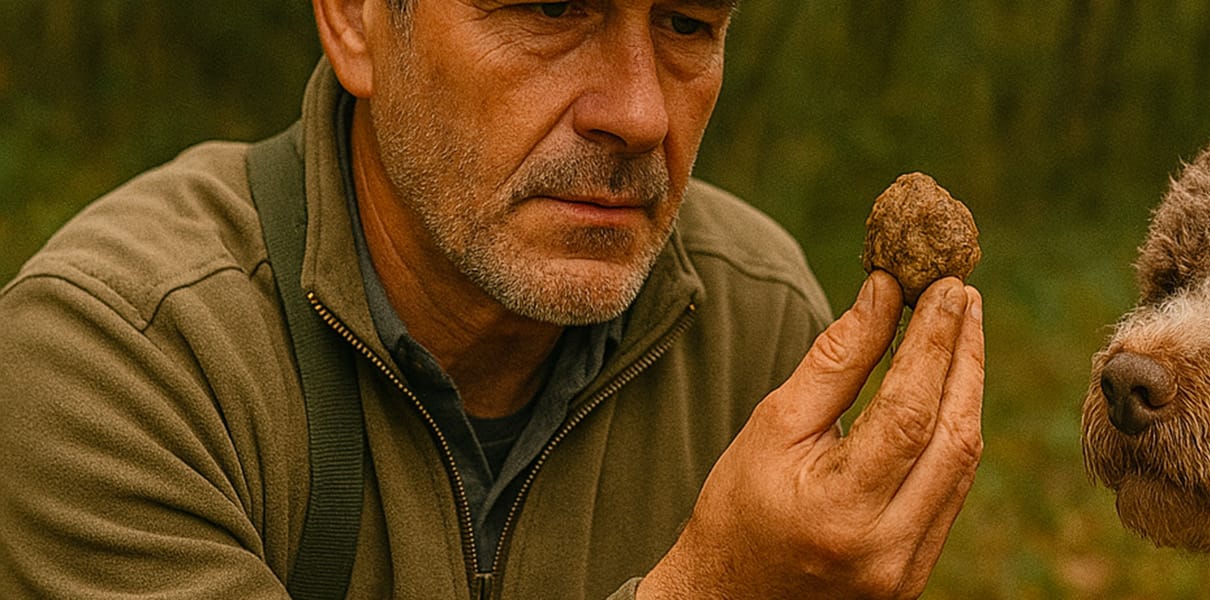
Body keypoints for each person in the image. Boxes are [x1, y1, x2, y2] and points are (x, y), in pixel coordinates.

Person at [0, 0, 986, 598]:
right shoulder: (117, 359)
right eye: (550, 9)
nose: (638, 113)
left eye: (688, 23)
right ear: (353, 20)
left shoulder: (750, 318)